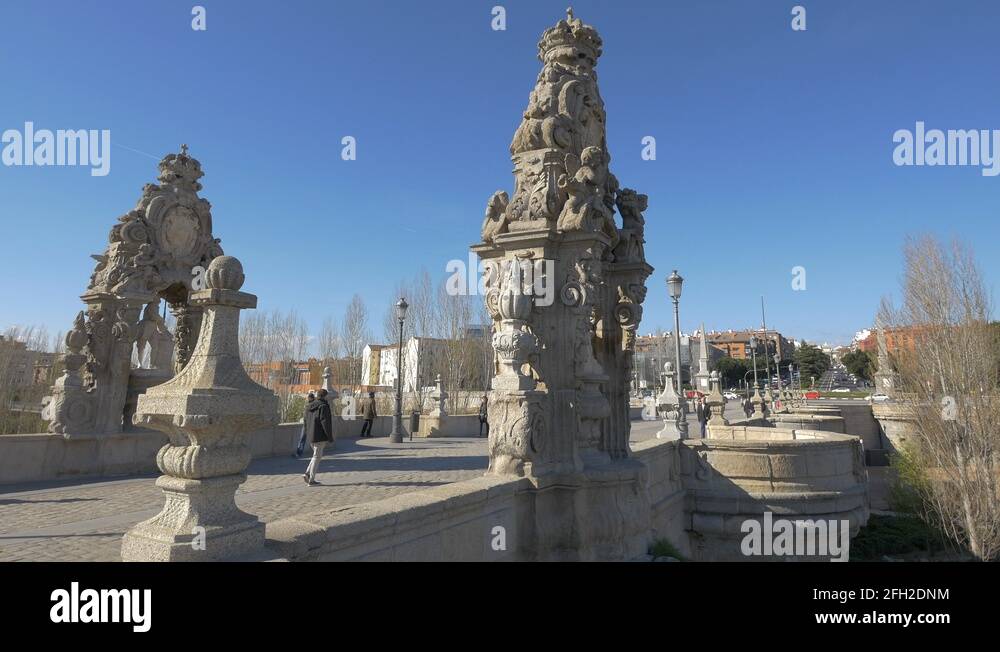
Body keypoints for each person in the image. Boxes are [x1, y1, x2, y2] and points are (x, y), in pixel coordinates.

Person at [303, 389, 333, 485]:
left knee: (315, 456)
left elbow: (305, 421)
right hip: (319, 435)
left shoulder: (309, 405)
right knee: (317, 457)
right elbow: (325, 423)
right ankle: (311, 479)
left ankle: (307, 474)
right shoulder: (323, 406)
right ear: (325, 396)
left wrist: (307, 433)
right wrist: (329, 436)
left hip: (311, 435)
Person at [295, 392, 315, 458]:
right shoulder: (315, 405)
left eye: (308, 397)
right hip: (311, 425)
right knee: (310, 440)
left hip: (307, 425)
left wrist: (306, 425)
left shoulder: (309, 406)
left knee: (302, 439)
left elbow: (305, 417)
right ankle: (316, 453)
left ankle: (299, 453)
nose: (307, 399)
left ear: (310, 398)